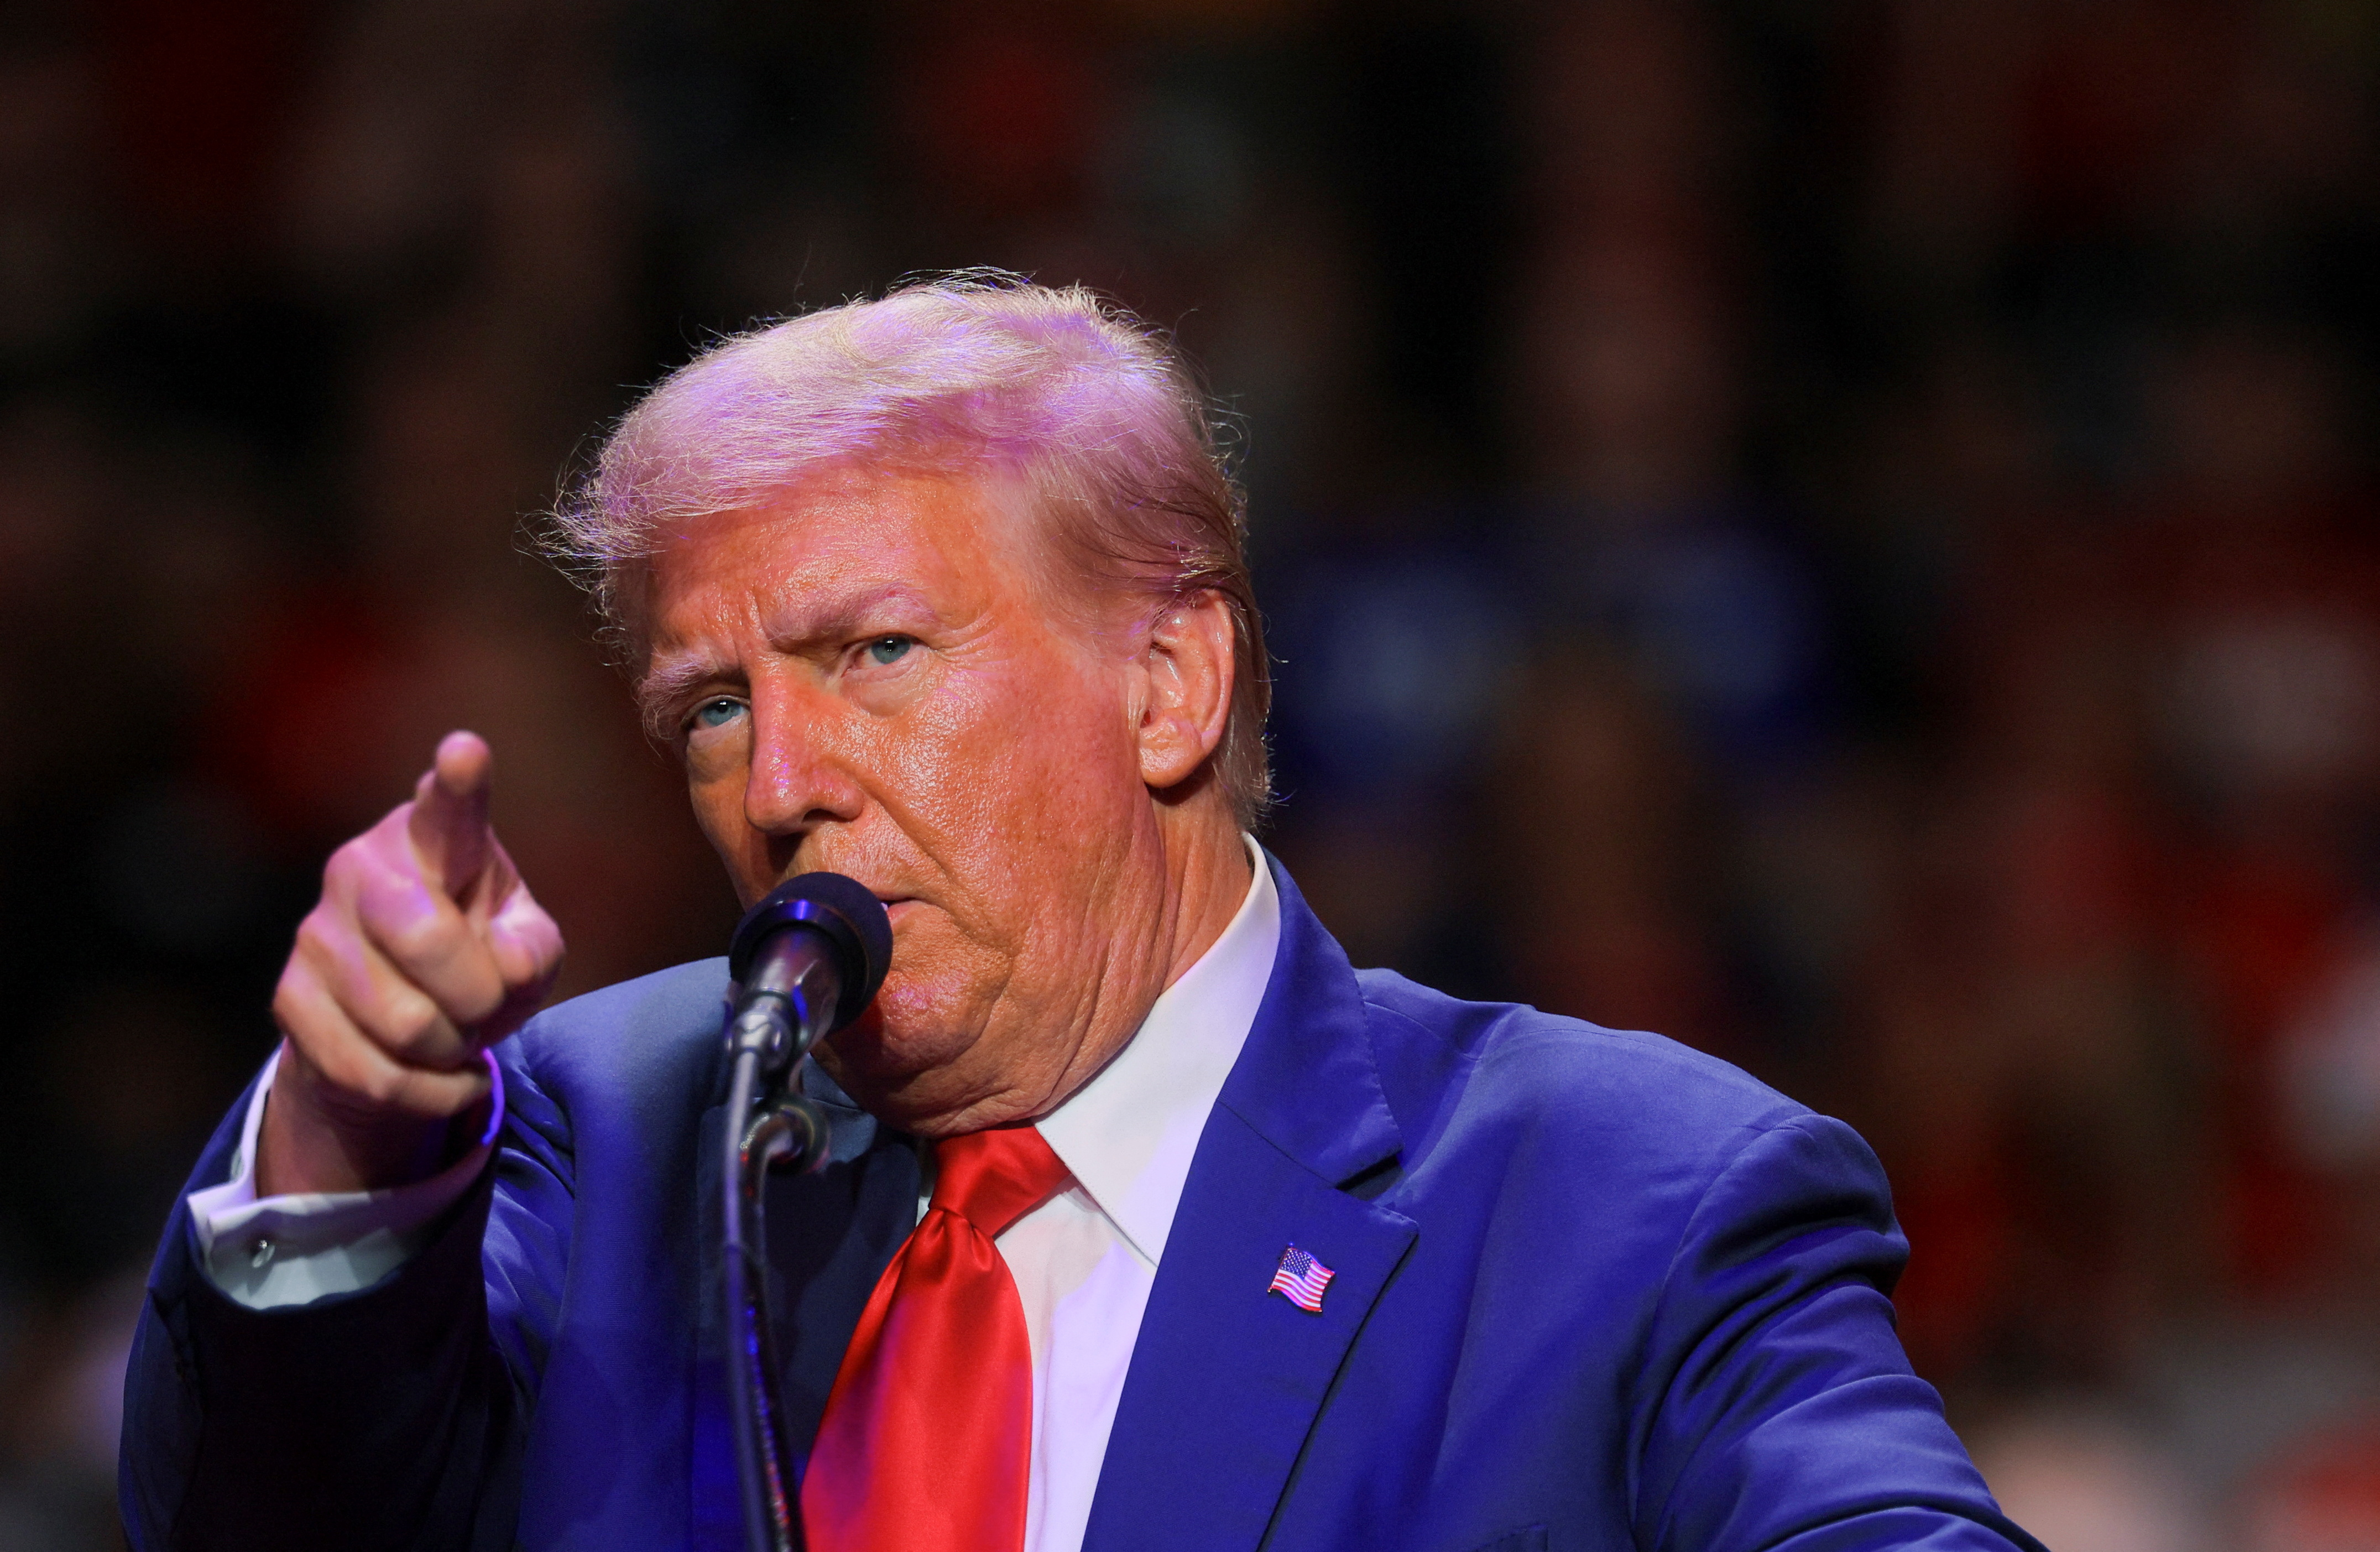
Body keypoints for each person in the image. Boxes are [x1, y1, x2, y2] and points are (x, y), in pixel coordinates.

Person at [119, 277, 2039, 1552]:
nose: (778, 779)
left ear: (1171, 685)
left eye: (874, 651)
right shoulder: (591, 1136)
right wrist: (346, 1152)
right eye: (710, 705)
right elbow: (251, 1522)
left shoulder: (1627, 1204)